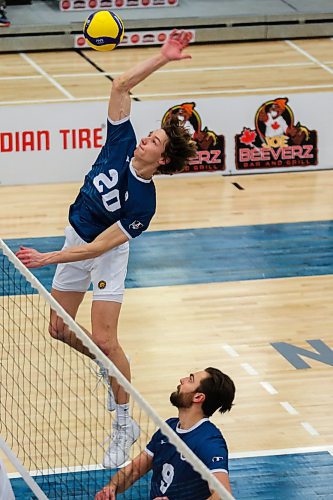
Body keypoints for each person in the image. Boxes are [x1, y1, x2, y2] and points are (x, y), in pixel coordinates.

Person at [16, 30, 197, 469]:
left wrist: (46, 259)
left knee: (103, 337)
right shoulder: (120, 142)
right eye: (149, 134)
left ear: (164, 161)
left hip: (102, 253)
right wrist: (162, 57)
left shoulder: (143, 205)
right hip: (76, 234)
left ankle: (122, 422)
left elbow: (100, 248)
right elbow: (120, 86)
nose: (145, 140)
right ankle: (109, 363)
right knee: (59, 330)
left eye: (154, 141)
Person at [94, 367, 235, 500]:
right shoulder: (169, 427)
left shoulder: (209, 442)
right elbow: (135, 470)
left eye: (190, 380)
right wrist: (112, 486)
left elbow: (223, 496)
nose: (182, 380)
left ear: (198, 397)